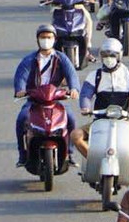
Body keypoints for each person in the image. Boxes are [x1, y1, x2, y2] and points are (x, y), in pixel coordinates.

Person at [12, 23, 79, 168]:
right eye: (43, 37)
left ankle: (70, 153)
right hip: (35, 100)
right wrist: (20, 89)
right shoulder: (30, 59)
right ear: (38, 40)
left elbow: (71, 74)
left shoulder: (62, 58)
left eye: (49, 37)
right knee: (21, 118)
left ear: (54, 39)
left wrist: (74, 89)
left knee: (71, 120)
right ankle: (22, 154)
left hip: (56, 99)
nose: (46, 40)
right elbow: (21, 76)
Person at [76, 38, 129, 157]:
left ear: (119, 56)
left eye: (112, 55)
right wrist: (85, 107)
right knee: (75, 136)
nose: (109, 59)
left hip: (124, 121)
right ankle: (94, 159)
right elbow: (85, 95)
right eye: (105, 55)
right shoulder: (94, 76)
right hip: (100, 120)